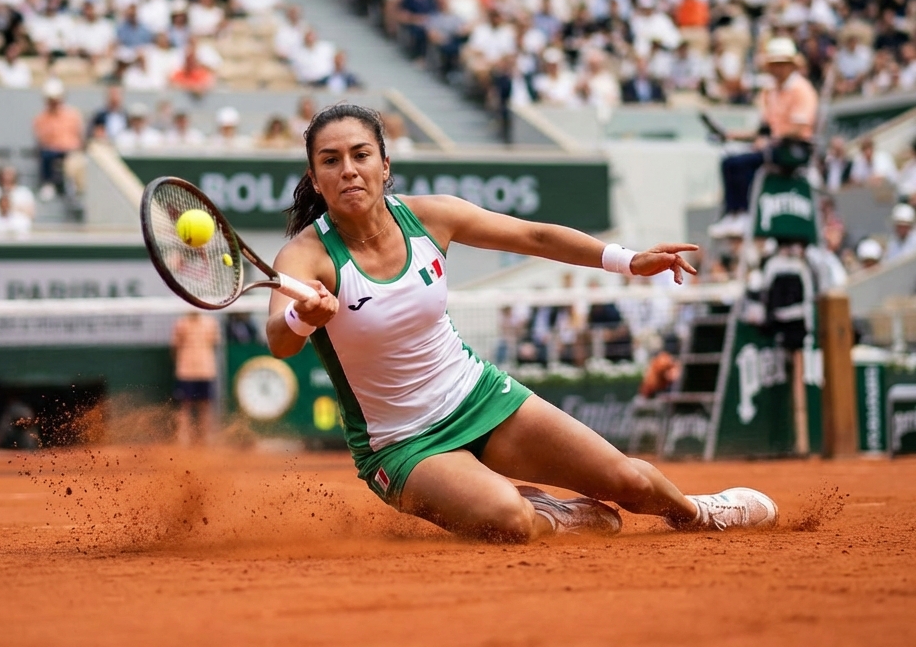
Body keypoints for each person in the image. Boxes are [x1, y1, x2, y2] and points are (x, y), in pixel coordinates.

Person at [264, 103, 778, 542]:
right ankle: (552, 513)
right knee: (511, 522)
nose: (348, 170)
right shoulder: (305, 256)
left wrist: (627, 260)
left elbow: (532, 237)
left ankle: (700, 512)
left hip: (480, 397)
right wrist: (301, 316)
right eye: (331, 161)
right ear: (315, 177)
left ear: (384, 163)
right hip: (401, 445)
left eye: (360, 155)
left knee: (632, 483)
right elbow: (280, 341)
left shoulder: (430, 217)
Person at [710, 37, 819, 238]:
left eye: (780, 64)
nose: (776, 69)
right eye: (773, 64)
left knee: (746, 163)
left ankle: (745, 212)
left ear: (790, 65)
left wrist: (771, 140)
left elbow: (799, 128)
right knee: (729, 162)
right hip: (776, 146)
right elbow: (764, 130)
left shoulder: (802, 90)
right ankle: (734, 213)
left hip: (795, 150)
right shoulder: (770, 92)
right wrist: (731, 135)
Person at [171, 310, 220, 446]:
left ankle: (205, 439)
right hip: (185, 372)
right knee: (184, 406)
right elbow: (175, 347)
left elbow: (214, 344)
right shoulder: (180, 323)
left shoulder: (211, 323)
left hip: (206, 371)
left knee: (205, 406)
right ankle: (183, 439)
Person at [32, 79, 84, 201]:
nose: (54, 102)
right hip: (52, 151)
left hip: (71, 150)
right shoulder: (41, 118)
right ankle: (48, 184)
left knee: (77, 160)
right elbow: (42, 139)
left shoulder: (72, 115)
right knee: (46, 155)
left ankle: (74, 187)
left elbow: (79, 135)